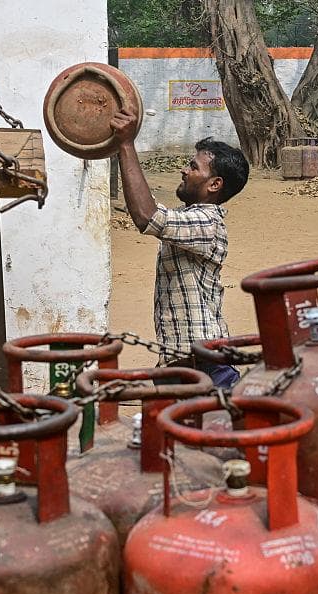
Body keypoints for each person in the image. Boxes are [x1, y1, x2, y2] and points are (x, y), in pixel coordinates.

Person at [109, 108, 250, 388]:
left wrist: (125, 145)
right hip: (185, 364)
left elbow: (147, 217)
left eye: (194, 167)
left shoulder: (207, 222)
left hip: (206, 368)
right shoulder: (189, 218)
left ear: (215, 184)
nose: (184, 170)